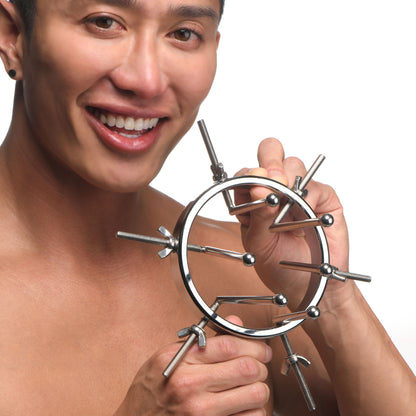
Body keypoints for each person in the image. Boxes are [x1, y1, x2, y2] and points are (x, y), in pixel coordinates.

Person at [0, 0, 415, 414]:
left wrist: (333, 298)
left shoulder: (255, 275)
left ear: (214, 45)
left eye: (184, 33)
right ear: (12, 35)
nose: (146, 81)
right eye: (105, 22)